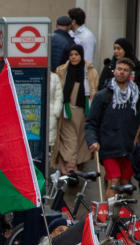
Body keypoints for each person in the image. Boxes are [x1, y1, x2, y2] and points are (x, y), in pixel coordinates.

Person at [85, 57, 140, 199]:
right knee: (114, 181)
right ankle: (108, 217)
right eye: (119, 69)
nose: (121, 72)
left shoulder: (137, 97)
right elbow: (91, 122)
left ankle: (122, 217)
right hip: (109, 147)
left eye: (125, 70)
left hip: (129, 148)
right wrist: (92, 141)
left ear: (130, 74)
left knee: (126, 184)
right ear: (114, 71)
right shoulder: (102, 96)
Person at [52, 45, 98, 174]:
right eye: (71, 55)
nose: (73, 57)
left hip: (84, 110)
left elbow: (95, 90)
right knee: (69, 138)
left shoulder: (91, 72)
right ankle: (71, 167)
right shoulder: (62, 70)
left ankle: (68, 165)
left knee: (80, 139)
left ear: (81, 55)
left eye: (76, 54)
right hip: (67, 111)